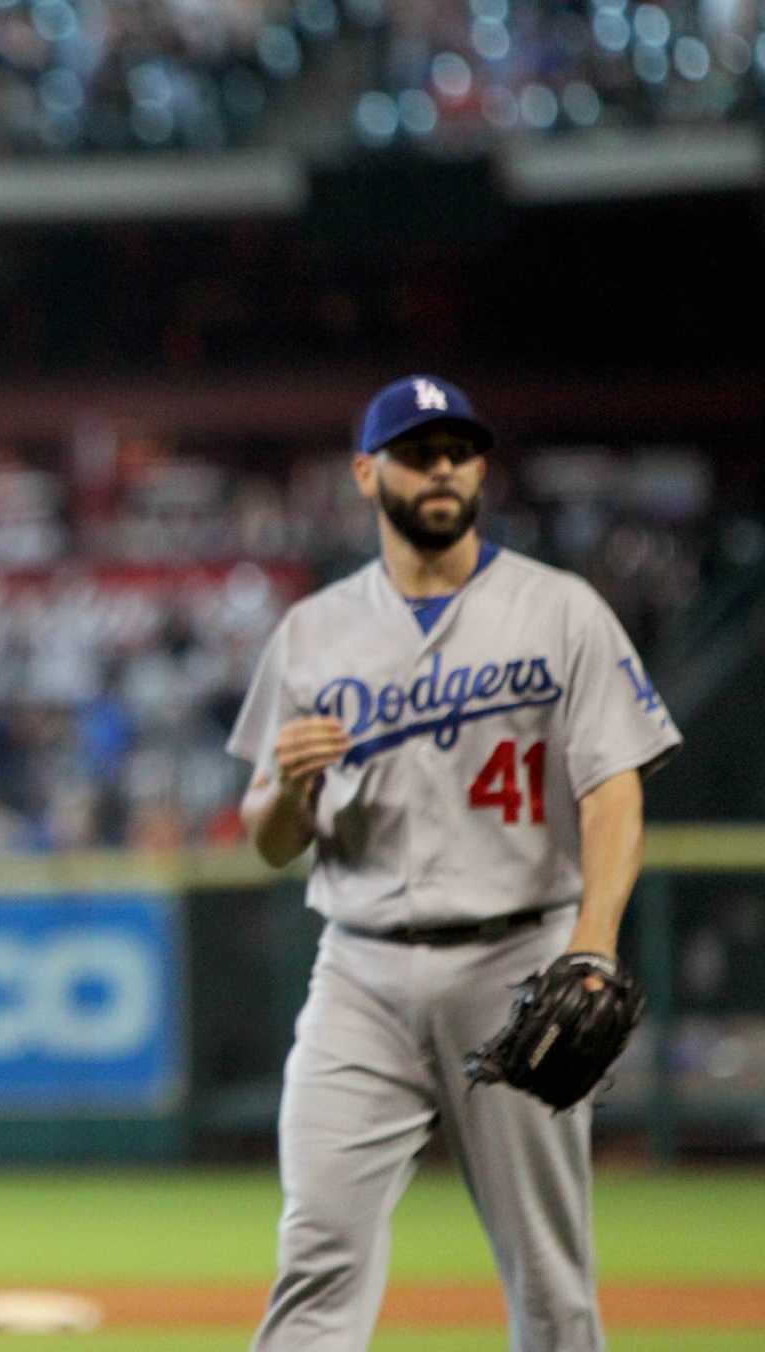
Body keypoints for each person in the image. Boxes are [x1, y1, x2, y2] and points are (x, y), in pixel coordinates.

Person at [227, 375, 682, 1350]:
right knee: (316, 1254)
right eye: (415, 450)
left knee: (550, 1283)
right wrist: (284, 789)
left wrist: (591, 946)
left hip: (516, 958)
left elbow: (612, 790)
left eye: (458, 449)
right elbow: (266, 838)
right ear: (365, 471)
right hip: (356, 968)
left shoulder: (558, 609)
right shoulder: (311, 632)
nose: (440, 467)